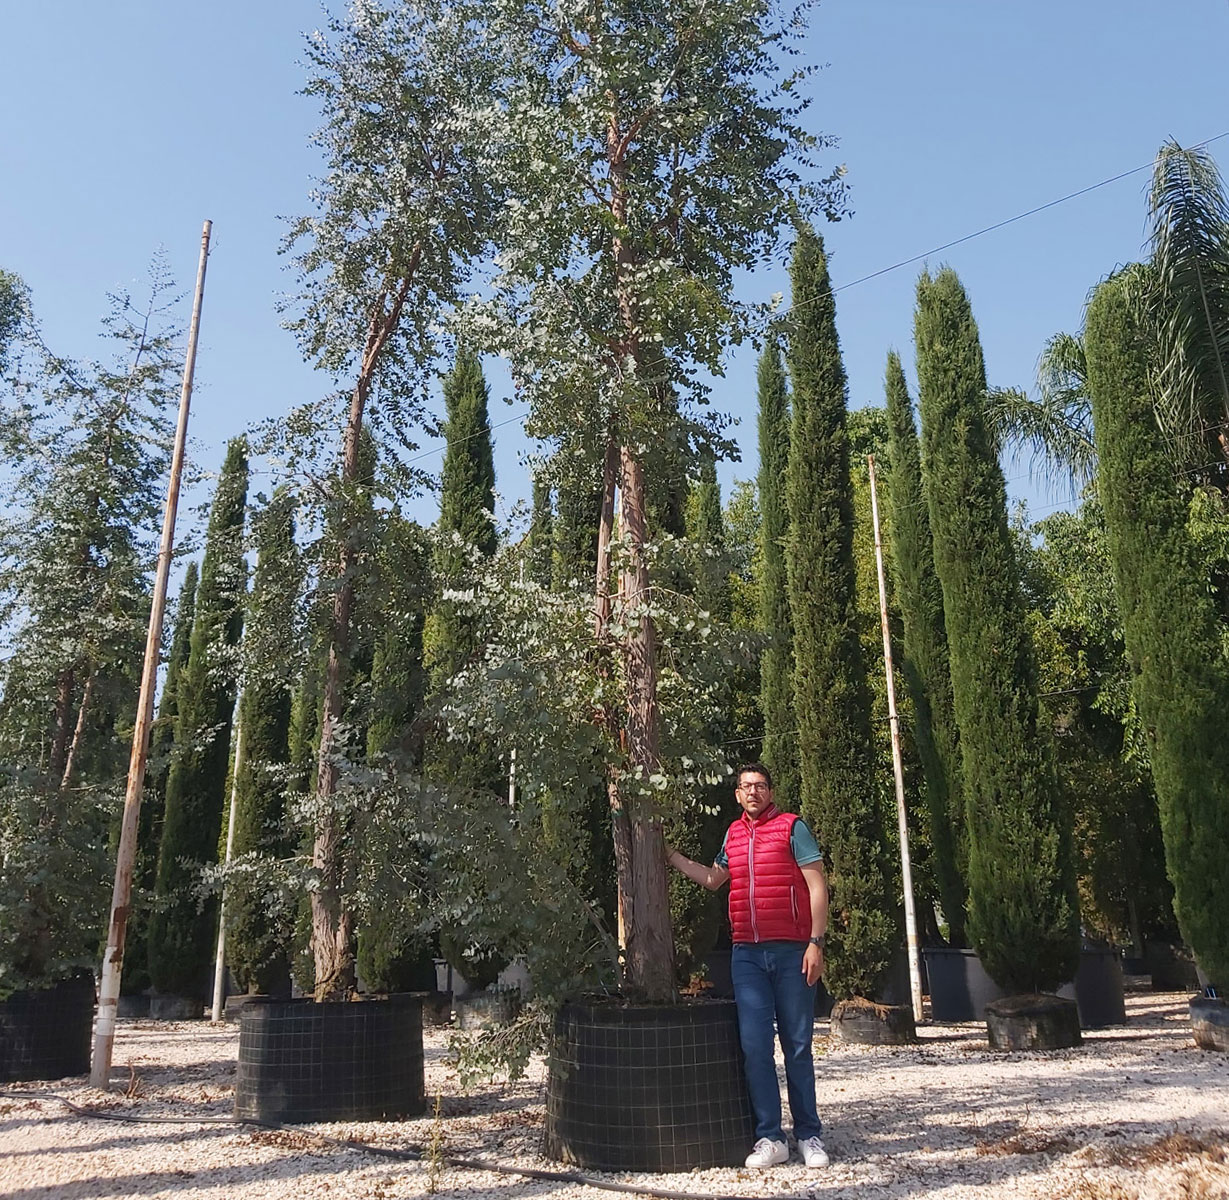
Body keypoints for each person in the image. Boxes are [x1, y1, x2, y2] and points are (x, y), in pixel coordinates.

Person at [666, 762, 830, 1170]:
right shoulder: (734, 835)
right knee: (755, 1047)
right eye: (745, 787)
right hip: (747, 956)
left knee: (797, 1045)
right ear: (737, 795)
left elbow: (817, 885)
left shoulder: (793, 828)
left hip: (793, 951)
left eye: (759, 785)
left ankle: (809, 1134)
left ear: (770, 791)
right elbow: (712, 879)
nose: (752, 792)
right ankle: (770, 1138)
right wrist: (669, 856)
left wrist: (816, 943)